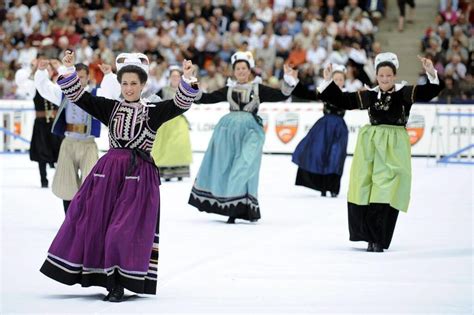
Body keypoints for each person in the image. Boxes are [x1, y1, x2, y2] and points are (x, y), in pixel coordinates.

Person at [39, 51, 199, 302]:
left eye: (134, 83)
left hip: (139, 177)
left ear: (143, 85)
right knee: (94, 223)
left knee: (122, 229)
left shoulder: (153, 111)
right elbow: (79, 98)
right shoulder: (110, 107)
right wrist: (69, 70)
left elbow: (180, 104)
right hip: (108, 174)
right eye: (125, 83)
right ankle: (105, 279)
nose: (129, 88)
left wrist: (187, 80)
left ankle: (119, 282)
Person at [316, 53, 444, 252]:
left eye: (388, 76)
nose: (385, 79)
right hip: (370, 144)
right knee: (364, 185)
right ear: (376, 76)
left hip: (394, 146)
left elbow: (429, 92)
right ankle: (368, 236)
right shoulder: (370, 94)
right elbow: (343, 100)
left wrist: (430, 73)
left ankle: (378, 238)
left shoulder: (404, 93)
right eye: (381, 76)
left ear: (394, 76)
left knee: (384, 188)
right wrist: (327, 81)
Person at [188, 51, 298, 224]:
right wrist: (192, 82)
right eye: (237, 68)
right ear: (234, 71)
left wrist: (289, 81)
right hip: (227, 132)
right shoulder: (229, 89)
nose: (240, 71)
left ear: (249, 70)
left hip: (250, 132)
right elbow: (204, 99)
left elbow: (281, 95)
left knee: (244, 166)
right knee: (225, 167)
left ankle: (239, 206)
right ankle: (230, 205)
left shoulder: (258, 88)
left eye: (243, 68)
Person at [34, 58, 101, 214]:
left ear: (87, 77)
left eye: (82, 77)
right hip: (69, 142)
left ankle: (86, 219)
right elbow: (44, 88)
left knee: (91, 183)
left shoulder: (96, 95)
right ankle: (69, 220)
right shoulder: (63, 94)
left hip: (88, 144)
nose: (78, 80)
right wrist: (41, 71)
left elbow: (114, 93)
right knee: (66, 183)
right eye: (75, 77)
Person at [291, 64, 349, 198]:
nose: (339, 82)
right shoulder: (324, 92)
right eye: (336, 79)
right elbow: (305, 94)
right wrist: (295, 80)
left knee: (336, 157)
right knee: (319, 154)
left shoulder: (347, 95)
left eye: (341, 79)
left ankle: (333, 187)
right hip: (324, 127)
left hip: (339, 129)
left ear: (344, 81)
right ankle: (322, 186)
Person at [151, 65, 192, 181]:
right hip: (166, 122)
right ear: (169, 77)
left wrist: (191, 79)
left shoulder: (185, 89)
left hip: (179, 122)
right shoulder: (164, 90)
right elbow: (154, 101)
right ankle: (165, 171)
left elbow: (196, 93)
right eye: (173, 76)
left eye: (177, 76)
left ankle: (180, 171)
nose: (175, 78)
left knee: (179, 147)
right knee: (166, 147)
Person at [29, 58, 63, 188]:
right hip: (41, 124)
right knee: (41, 151)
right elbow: (22, 82)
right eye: (45, 69)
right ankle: (43, 179)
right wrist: (34, 69)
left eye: (49, 70)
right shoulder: (34, 86)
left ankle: (59, 179)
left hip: (55, 123)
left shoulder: (56, 87)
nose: (47, 71)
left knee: (59, 151)